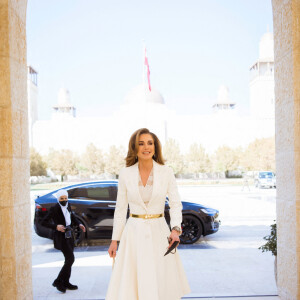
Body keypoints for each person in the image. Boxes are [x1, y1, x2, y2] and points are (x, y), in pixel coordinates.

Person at [106, 128, 191, 300]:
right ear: (134, 148)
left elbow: (175, 203)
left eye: (150, 143)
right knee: (133, 284)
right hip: (133, 234)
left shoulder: (166, 171)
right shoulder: (125, 173)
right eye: (141, 143)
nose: (146, 147)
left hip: (159, 232)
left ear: (155, 147)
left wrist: (175, 229)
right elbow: (121, 209)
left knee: (160, 280)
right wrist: (115, 240)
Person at [41, 189, 86, 293]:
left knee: (68, 260)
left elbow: (72, 216)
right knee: (70, 259)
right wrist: (56, 226)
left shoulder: (68, 205)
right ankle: (58, 281)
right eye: (62, 198)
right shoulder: (54, 208)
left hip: (70, 235)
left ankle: (66, 282)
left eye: (66, 198)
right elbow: (43, 222)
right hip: (61, 237)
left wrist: (79, 224)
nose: (64, 200)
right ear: (58, 199)